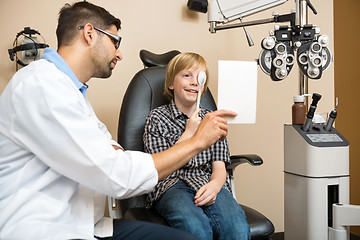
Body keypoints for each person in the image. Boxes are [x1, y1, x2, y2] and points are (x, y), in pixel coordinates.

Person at [0, 2, 237, 240]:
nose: (119, 53)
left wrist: (112, 156)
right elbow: (117, 175)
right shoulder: (41, 85)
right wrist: (196, 141)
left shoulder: (73, 93)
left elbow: (110, 146)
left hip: (83, 223)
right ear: (90, 34)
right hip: (44, 229)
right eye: (115, 42)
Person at [143, 52, 250, 240]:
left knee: (238, 228)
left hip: (206, 182)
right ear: (171, 83)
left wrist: (215, 186)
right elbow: (160, 167)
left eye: (199, 78)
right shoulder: (156, 118)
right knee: (195, 228)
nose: (194, 82)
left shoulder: (213, 119)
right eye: (186, 75)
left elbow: (219, 168)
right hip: (170, 185)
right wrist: (189, 133)